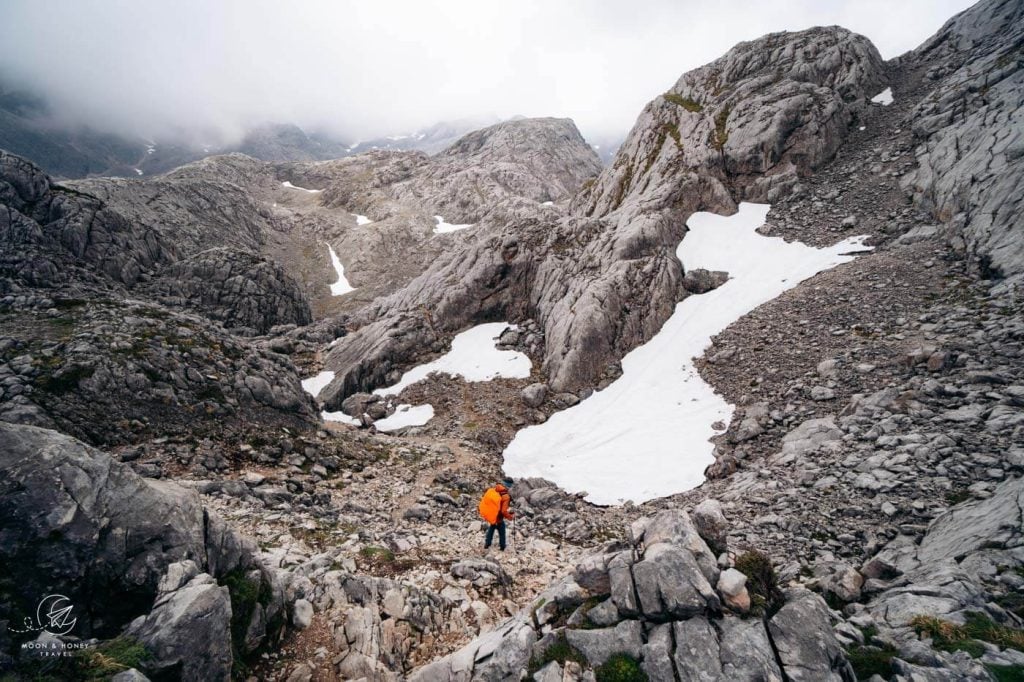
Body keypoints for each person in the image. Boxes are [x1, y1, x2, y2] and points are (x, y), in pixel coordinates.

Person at [482, 479, 515, 552]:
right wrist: (510, 517)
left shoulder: (495, 489)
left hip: (492, 514)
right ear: (509, 485)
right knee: (502, 531)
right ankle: (502, 547)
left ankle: (487, 544)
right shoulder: (506, 496)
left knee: (492, 527)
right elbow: (503, 511)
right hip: (499, 516)